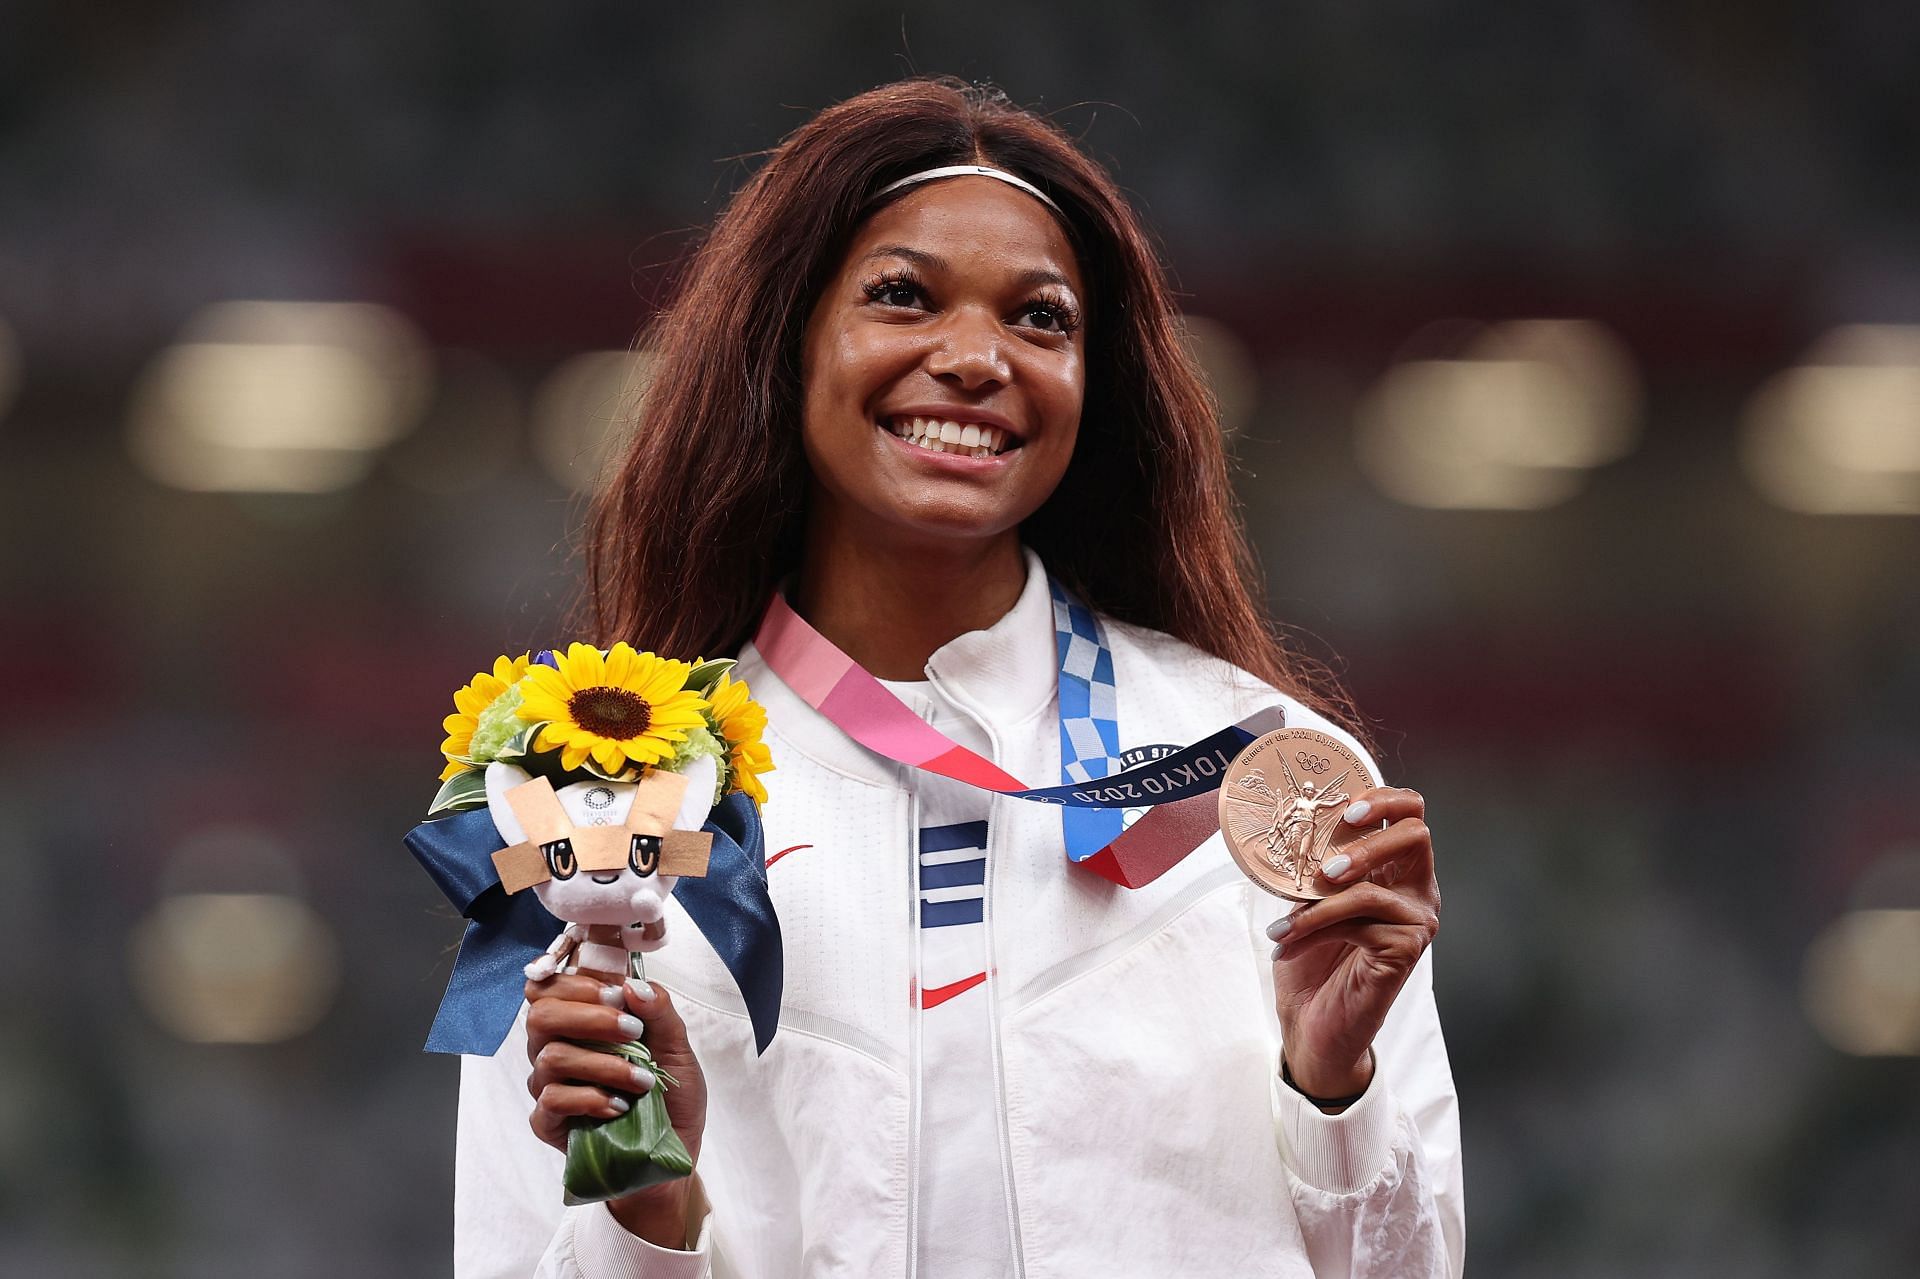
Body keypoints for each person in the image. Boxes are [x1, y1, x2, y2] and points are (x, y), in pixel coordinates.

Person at [454, 77, 1462, 1277]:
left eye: (1041, 320)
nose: (976, 358)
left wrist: (1331, 1082)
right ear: (786, 343)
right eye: (900, 297)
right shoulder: (599, 805)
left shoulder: (1262, 774)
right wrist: (643, 1203)